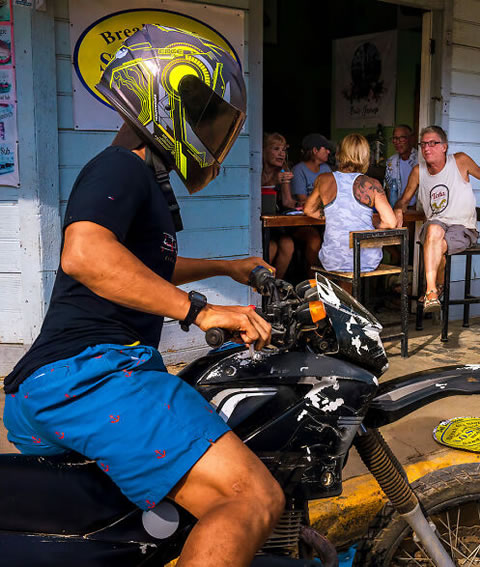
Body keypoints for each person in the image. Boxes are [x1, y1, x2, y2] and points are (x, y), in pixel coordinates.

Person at [2, 26, 283, 567]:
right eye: (205, 115)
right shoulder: (120, 166)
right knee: (249, 497)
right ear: (164, 96)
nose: (210, 133)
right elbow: (85, 255)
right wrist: (200, 310)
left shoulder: (139, 179)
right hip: (94, 373)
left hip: (66, 380)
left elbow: (144, 267)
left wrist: (229, 268)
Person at [393, 125, 480, 312]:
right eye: (423, 144)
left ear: (444, 146)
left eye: (433, 143)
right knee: (435, 230)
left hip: (463, 227)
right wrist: (398, 209)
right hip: (435, 228)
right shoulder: (418, 172)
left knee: (437, 243)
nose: (427, 148)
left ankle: (436, 287)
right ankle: (432, 291)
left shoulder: (460, 161)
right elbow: (403, 200)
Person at [304, 134, 396, 273]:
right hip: (367, 262)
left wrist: (335, 216)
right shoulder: (372, 184)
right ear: (366, 156)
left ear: (340, 153)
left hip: (332, 261)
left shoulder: (323, 179)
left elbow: (309, 210)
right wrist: (372, 224)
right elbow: (390, 222)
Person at [288, 133, 331, 274]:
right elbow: (302, 199)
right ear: (315, 150)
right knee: (314, 239)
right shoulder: (299, 170)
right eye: (325, 148)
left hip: (322, 219)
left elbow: (333, 195)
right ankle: (312, 279)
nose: (329, 152)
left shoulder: (326, 169)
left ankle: (330, 277)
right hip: (301, 222)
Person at [261, 132, 295, 276]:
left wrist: (305, 204)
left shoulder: (283, 170)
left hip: (273, 225)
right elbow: (250, 188)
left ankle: (276, 287)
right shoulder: (255, 169)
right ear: (263, 150)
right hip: (255, 227)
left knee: (288, 245)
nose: (281, 154)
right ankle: (262, 293)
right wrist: (273, 181)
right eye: (276, 149)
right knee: (272, 247)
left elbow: (288, 202)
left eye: (283, 150)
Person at [384, 124, 418, 207]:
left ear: (411, 139)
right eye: (395, 138)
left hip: (417, 209)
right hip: (397, 208)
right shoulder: (391, 162)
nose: (397, 142)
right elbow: (388, 187)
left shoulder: (420, 160)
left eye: (402, 138)